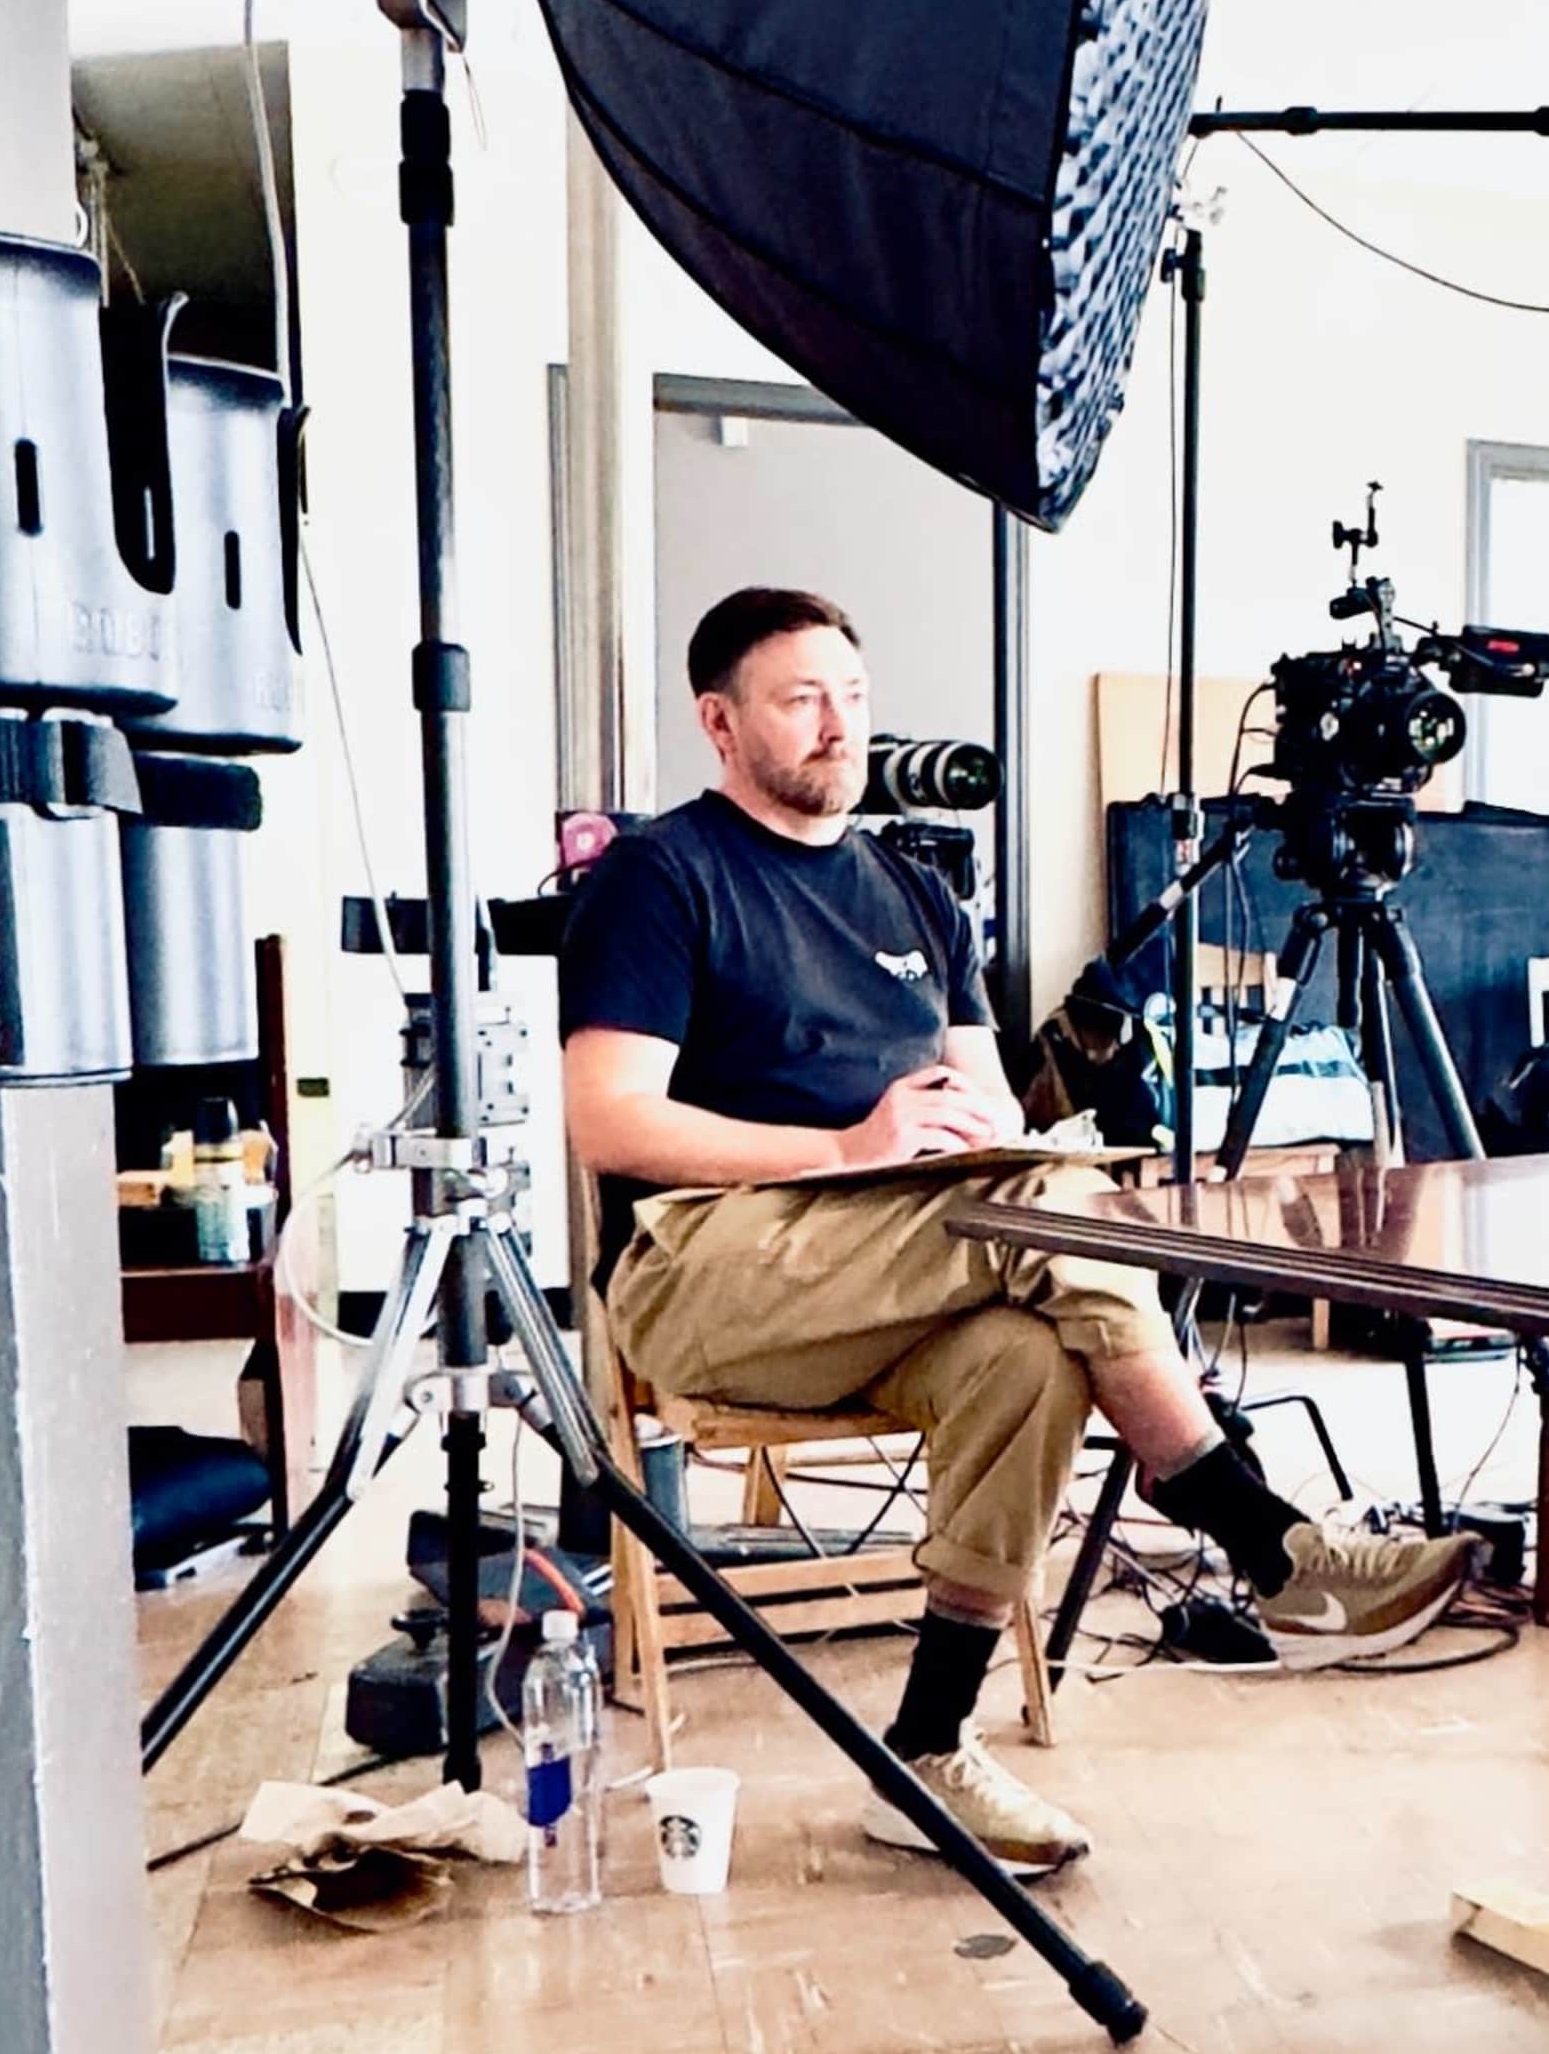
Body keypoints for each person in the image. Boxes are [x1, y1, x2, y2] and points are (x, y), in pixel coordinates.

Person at [560, 589, 1476, 1874]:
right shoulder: (662, 878)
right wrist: (841, 1149)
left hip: (895, 1256)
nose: (839, 726)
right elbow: (608, 1120)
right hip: (712, 1260)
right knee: (1036, 1205)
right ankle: (1268, 1541)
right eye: (800, 699)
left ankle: (926, 1748)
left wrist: (999, 1134)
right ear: (720, 722)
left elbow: (984, 1099)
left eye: (854, 695)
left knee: (1027, 1347)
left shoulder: (914, 890)